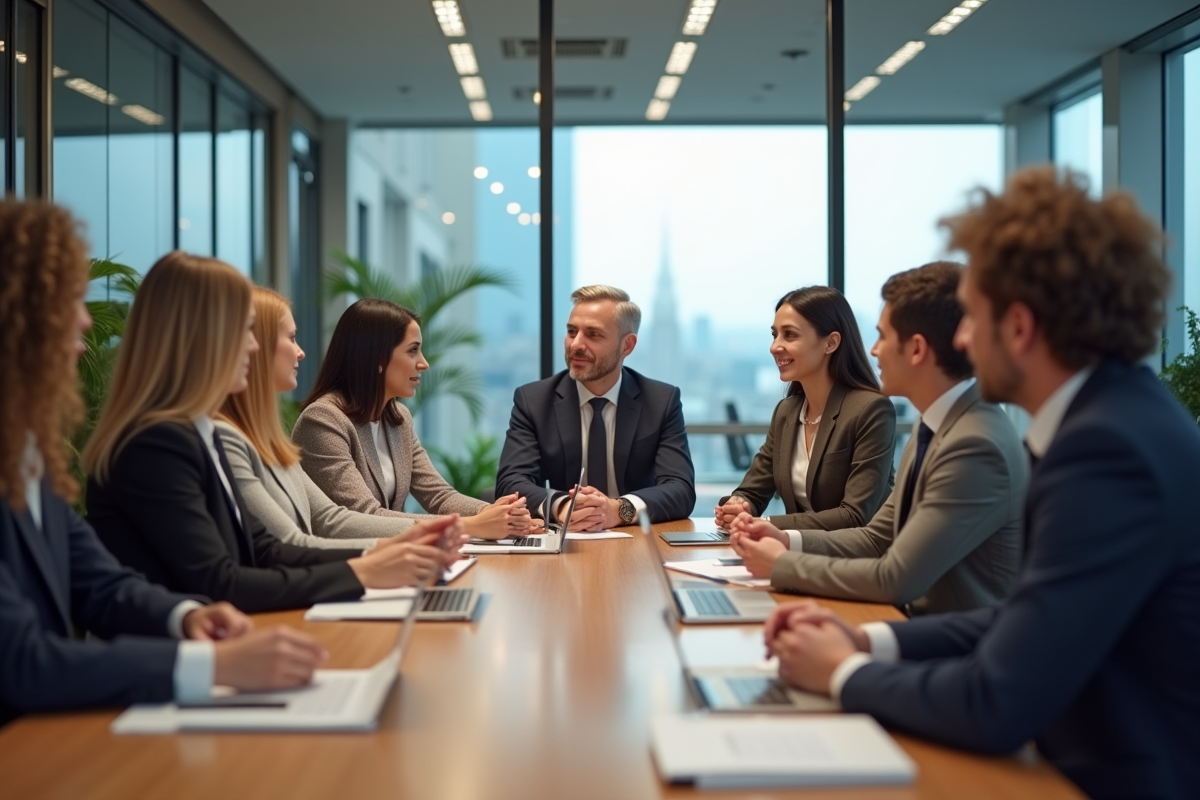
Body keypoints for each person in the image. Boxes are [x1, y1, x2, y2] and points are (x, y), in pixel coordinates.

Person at [763, 167, 1200, 800]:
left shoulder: (1108, 452)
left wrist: (844, 673)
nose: (959, 340)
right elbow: (1020, 618)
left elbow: (998, 700)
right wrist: (868, 639)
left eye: (970, 319)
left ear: (1018, 328)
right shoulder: (1112, 419)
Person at [0, 202, 329, 725]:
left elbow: (101, 585)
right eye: (67, 301)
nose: (86, 318)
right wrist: (210, 665)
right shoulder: (154, 442)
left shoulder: (27, 454)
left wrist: (186, 616)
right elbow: (19, 661)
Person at [85, 253, 462, 614]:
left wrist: (386, 553)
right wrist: (370, 566)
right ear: (198, 338)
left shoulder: (204, 434)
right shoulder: (158, 445)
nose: (254, 345)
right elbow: (223, 579)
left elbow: (269, 549)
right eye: (245, 331)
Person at [729, 263, 1025, 615]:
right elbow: (876, 537)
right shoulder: (934, 425)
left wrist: (781, 565)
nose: (873, 350)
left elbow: (895, 578)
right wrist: (785, 539)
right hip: (912, 623)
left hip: (952, 645)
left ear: (916, 349)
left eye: (883, 337)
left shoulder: (974, 445)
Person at [293, 298, 530, 540]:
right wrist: (470, 525)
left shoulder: (398, 420)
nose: (424, 363)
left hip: (394, 560)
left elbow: (438, 495)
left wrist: (497, 514)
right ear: (377, 358)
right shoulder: (323, 421)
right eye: (412, 350)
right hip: (349, 567)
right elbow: (364, 515)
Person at [218, 287, 419, 551]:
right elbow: (294, 543)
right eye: (291, 338)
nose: (300, 352)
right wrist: (446, 531)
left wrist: (436, 533)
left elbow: (328, 518)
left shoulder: (270, 438)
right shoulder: (229, 438)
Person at [495, 285, 696, 528]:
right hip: (565, 540)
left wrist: (618, 509)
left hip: (636, 545)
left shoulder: (661, 401)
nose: (576, 344)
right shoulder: (534, 401)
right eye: (571, 332)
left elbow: (680, 488)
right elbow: (511, 482)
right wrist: (563, 507)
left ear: (627, 346)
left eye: (593, 335)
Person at [714, 286, 895, 532]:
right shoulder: (786, 412)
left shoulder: (870, 410)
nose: (775, 346)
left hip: (858, 560)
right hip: (795, 555)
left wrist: (767, 525)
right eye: (774, 335)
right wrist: (739, 506)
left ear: (830, 343)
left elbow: (855, 516)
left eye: (790, 335)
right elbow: (753, 491)